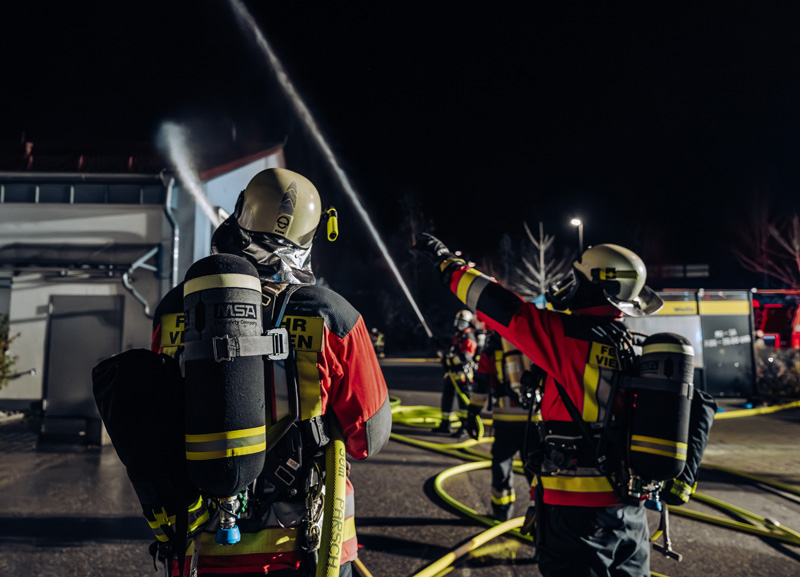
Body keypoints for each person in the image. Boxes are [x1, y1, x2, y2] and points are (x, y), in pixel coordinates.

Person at [414, 233, 715, 577]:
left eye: (578, 278)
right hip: (629, 511)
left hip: (577, 514)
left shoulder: (567, 337)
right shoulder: (629, 345)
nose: (571, 285)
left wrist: (449, 265)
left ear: (595, 285)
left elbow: (499, 305)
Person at [148, 168, 393, 576]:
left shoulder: (177, 308)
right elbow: (368, 437)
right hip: (305, 551)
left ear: (239, 214)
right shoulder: (332, 315)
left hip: (197, 548)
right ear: (312, 235)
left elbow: (157, 413)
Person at [465, 330, 543, 521]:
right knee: (537, 468)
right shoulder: (536, 339)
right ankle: (542, 515)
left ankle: (501, 512)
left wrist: (473, 412)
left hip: (505, 419)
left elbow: (481, 382)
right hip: (535, 419)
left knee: (502, 465)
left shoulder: (493, 346)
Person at [433, 309, 477, 435]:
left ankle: (464, 427)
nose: (459, 324)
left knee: (464, 404)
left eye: (462, 322)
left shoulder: (468, 337)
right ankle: (445, 424)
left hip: (463, 376)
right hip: (452, 375)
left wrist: (450, 361)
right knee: (446, 400)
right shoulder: (459, 335)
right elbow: (454, 351)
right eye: (458, 322)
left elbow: (466, 356)